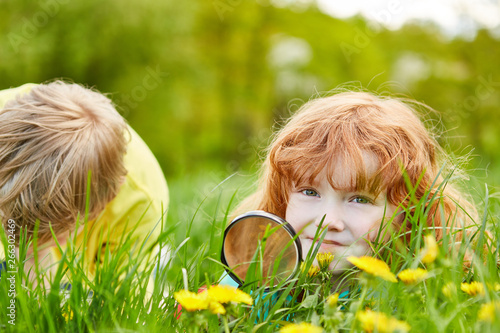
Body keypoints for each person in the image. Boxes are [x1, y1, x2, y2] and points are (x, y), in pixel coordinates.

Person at [221, 90, 476, 286]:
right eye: (310, 192)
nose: (328, 221)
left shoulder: (422, 295)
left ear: (410, 213)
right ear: (283, 196)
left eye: (360, 199)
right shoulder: (249, 282)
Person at [0, 81, 169, 287]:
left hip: (86, 266)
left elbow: (123, 308)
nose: (22, 242)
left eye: (55, 236)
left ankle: (156, 261)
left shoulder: (142, 203)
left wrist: (36, 255)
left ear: (109, 198)